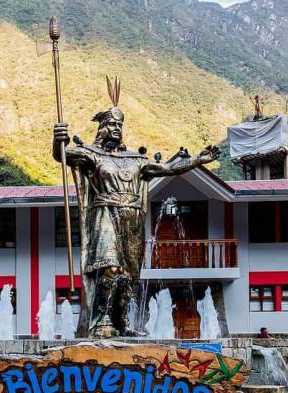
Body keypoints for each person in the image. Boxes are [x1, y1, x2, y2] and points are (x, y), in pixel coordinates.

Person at [53, 78, 219, 337]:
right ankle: (102, 320)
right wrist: (58, 140)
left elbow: (168, 168)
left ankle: (121, 322)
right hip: (105, 213)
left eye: (119, 124)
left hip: (132, 218)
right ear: (101, 128)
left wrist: (198, 160)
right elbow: (62, 156)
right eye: (110, 123)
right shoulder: (92, 155)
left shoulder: (136, 160)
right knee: (109, 268)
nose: (116, 128)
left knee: (129, 275)